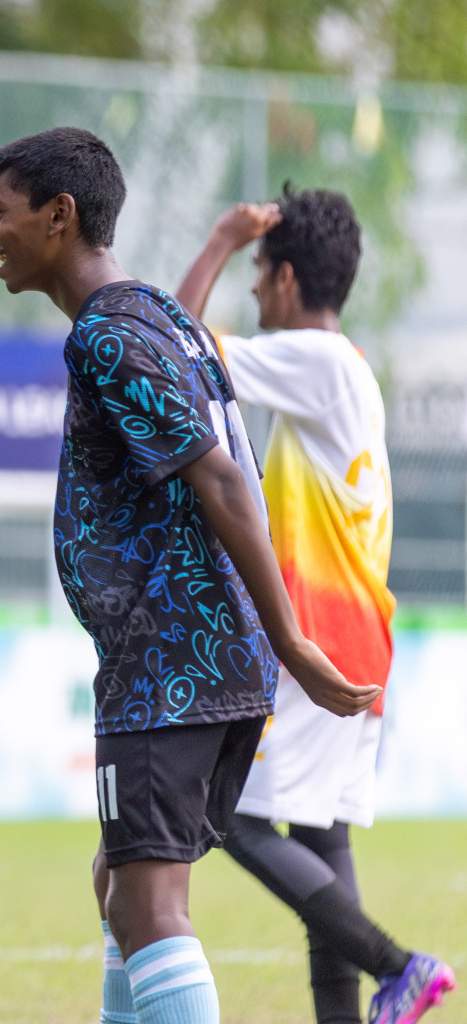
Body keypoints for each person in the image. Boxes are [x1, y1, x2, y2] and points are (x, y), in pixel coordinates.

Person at [0, 126, 380, 1024]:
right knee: (121, 887)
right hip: (202, 663)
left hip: (171, 664)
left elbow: (222, 477)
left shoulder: (109, 339)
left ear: (58, 215)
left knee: (152, 908)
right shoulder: (157, 314)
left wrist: (291, 641)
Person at [177, 188, 456, 1024]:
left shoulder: (316, 359)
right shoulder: (344, 371)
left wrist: (222, 236)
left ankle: (397, 966)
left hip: (314, 644)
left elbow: (169, 344)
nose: (255, 294)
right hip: (357, 640)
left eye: (259, 276)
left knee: (218, 814)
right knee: (320, 845)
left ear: (288, 278)